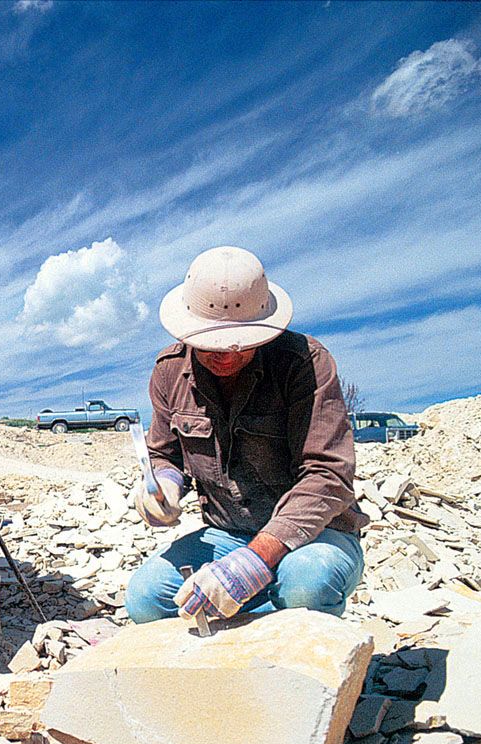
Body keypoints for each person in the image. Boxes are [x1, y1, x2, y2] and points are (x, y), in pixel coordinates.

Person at [125, 246, 367, 625]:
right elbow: (163, 456)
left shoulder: (305, 364)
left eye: (240, 345)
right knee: (145, 600)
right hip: (228, 534)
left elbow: (328, 474)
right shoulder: (169, 373)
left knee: (307, 584)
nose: (225, 357)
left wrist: (256, 560)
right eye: (211, 346)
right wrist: (165, 485)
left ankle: (291, 642)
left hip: (314, 534)